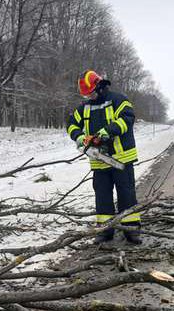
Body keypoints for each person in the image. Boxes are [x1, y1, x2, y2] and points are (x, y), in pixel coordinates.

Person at [66, 70, 142, 245]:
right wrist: (79, 136)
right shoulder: (84, 108)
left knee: (126, 193)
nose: (90, 97)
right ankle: (105, 230)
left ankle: (131, 229)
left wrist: (107, 131)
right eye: (87, 94)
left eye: (91, 93)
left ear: (100, 87)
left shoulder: (118, 100)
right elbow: (70, 125)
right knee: (102, 196)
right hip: (99, 160)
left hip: (121, 158)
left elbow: (127, 118)